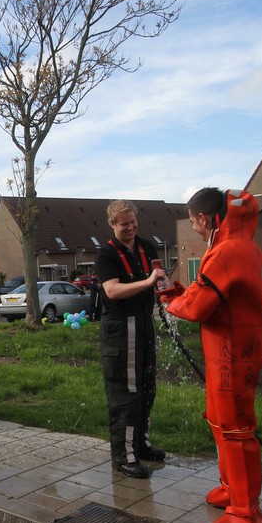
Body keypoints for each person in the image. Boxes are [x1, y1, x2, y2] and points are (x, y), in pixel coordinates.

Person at [160, 188, 262, 523]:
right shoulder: (239, 247)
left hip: (233, 353)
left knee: (235, 430)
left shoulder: (226, 252)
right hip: (228, 349)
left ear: (204, 218)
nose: (193, 228)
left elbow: (199, 306)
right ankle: (232, 488)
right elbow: (211, 295)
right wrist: (178, 294)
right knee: (219, 420)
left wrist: (171, 301)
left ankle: (246, 514)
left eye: (193, 222)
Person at [96, 199, 167, 479]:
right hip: (120, 329)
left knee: (147, 387)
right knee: (126, 393)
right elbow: (112, 291)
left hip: (145, 323)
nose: (130, 227)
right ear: (113, 225)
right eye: (124, 223)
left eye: (133, 222)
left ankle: (141, 444)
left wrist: (164, 289)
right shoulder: (106, 255)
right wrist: (148, 282)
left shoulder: (147, 247)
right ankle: (123, 456)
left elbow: (156, 281)